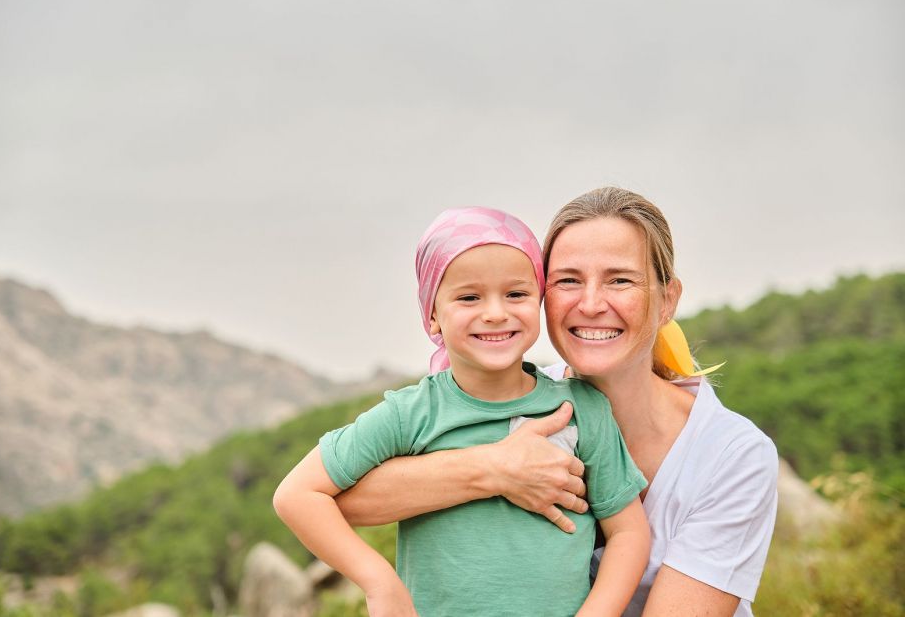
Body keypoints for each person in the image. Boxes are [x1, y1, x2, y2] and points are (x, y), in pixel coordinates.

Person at [334, 188, 780, 616]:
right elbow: (342, 499)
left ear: (667, 300)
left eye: (620, 280)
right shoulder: (516, 396)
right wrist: (496, 468)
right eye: (568, 281)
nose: (589, 304)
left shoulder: (733, 455)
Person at [273, 207, 651, 616]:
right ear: (432, 315)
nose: (494, 312)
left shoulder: (580, 408)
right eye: (469, 297)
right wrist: (378, 580)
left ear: (539, 302)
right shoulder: (409, 414)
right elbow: (297, 495)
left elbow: (628, 532)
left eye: (516, 294)